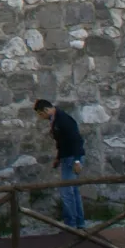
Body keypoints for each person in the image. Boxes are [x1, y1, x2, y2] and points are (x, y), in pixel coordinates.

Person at [34, 98, 87, 229]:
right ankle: (79, 223)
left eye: (41, 114)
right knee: (73, 191)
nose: (41, 118)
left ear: (46, 110)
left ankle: (71, 224)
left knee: (66, 191)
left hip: (72, 157)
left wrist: (76, 160)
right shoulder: (56, 120)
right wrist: (58, 158)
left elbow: (76, 140)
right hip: (67, 157)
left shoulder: (63, 120)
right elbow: (62, 142)